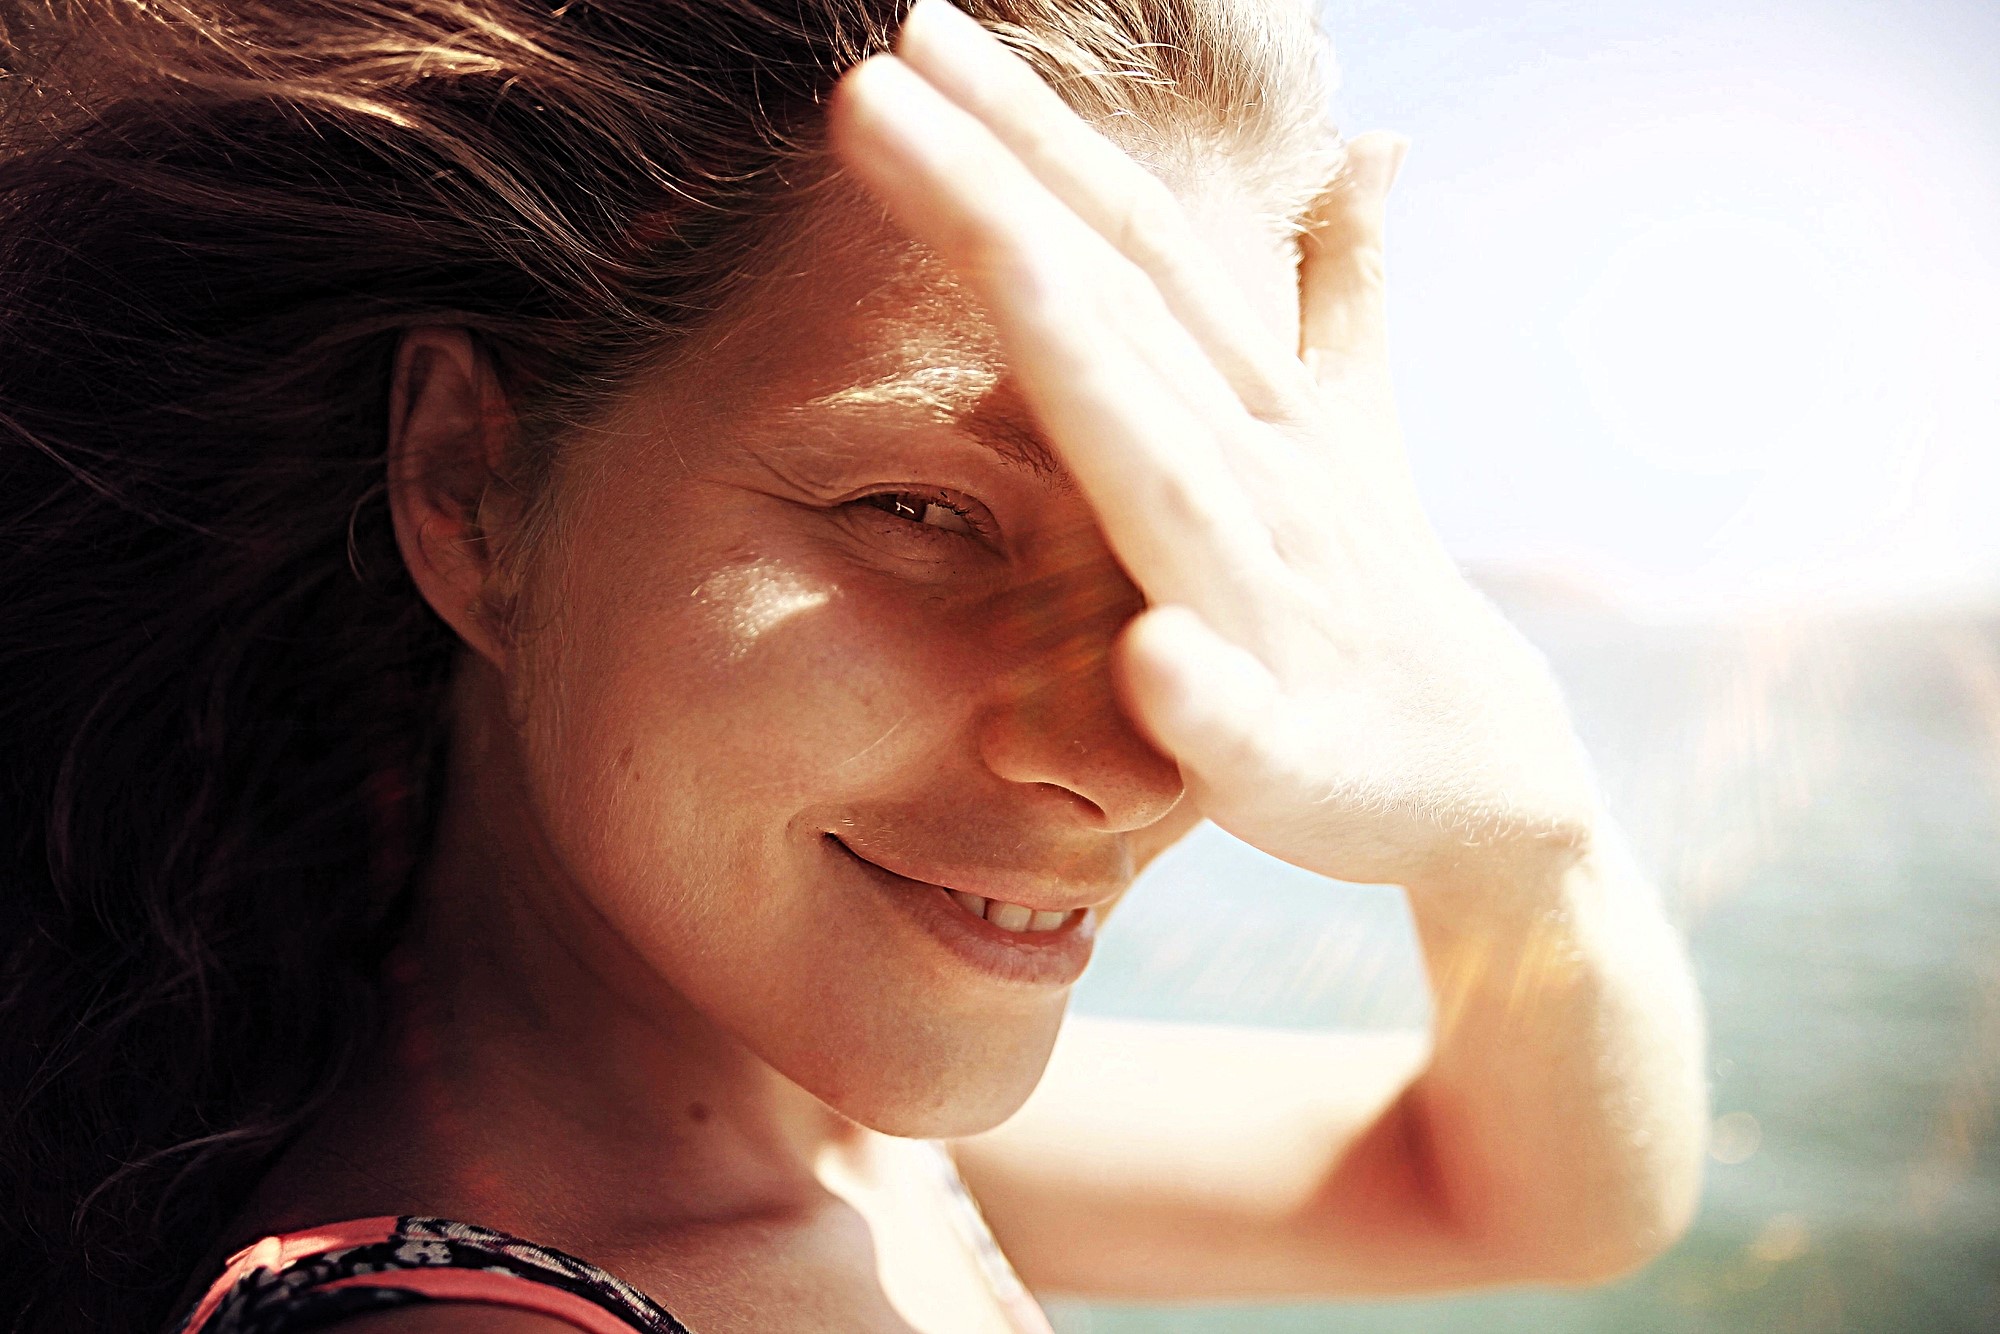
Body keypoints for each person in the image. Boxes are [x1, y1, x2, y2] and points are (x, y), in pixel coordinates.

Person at [0, 0, 1709, 1329]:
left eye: (1194, 558)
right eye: (919, 510)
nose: (1125, 762)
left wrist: (1518, 823)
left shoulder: (823, 1134)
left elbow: (1519, 1192)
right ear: (475, 481)